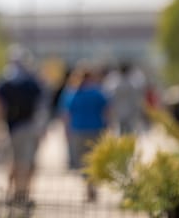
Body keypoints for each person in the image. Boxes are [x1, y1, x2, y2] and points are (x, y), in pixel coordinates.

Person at [0, 45, 49, 207]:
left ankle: (14, 193)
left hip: (12, 128)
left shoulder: (4, 81)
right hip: (28, 127)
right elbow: (42, 106)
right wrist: (42, 128)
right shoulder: (33, 81)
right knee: (26, 163)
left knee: (13, 162)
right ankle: (23, 193)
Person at [61, 66, 109, 201]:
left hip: (78, 130)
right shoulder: (98, 93)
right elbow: (107, 111)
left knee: (82, 161)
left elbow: (66, 114)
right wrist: (107, 127)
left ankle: (88, 187)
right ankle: (92, 186)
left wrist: (66, 130)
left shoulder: (72, 93)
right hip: (96, 129)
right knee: (94, 159)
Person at [102, 62, 146, 135]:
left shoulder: (114, 84)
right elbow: (136, 99)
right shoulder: (132, 84)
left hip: (118, 111)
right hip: (129, 111)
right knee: (130, 130)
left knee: (120, 130)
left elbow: (109, 97)